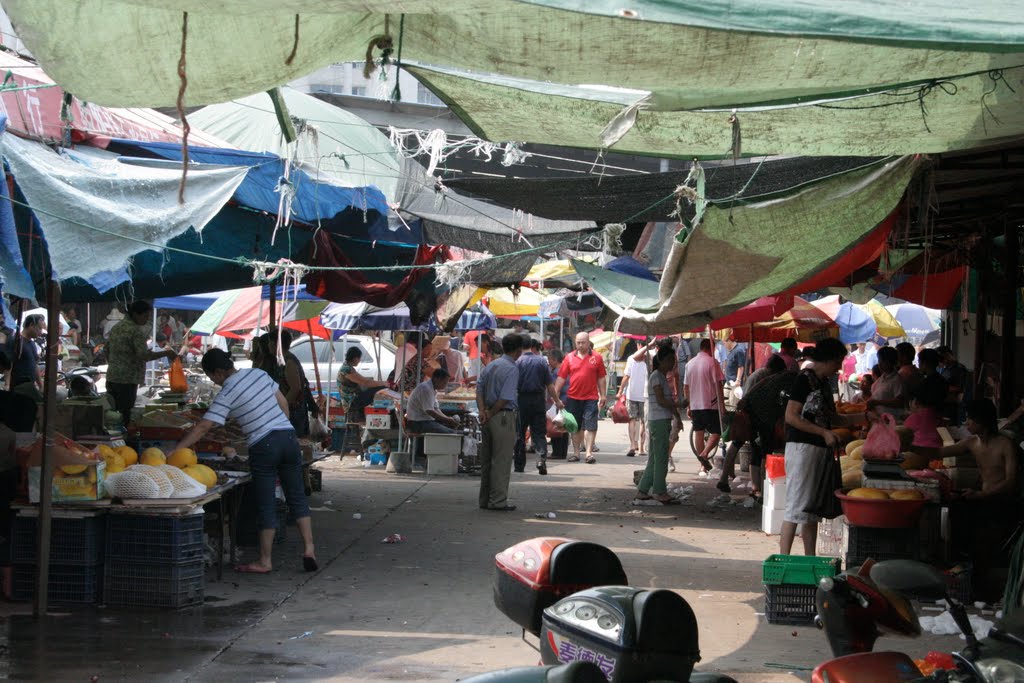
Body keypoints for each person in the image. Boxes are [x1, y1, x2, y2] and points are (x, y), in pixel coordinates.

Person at [174, 349, 316, 574]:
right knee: (296, 496)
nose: (214, 382)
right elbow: (283, 405)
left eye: (212, 377)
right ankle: (309, 549)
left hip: (264, 444)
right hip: (288, 438)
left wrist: (176, 451)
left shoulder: (228, 391)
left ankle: (265, 561)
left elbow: (204, 426)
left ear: (219, 372)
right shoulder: (258, 374)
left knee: (266, 503)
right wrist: (278, 428)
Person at [780, 338, 863, 556]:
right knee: (796, 507)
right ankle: (784, 560)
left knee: (811, 509)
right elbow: (791, 416)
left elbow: (833, 418)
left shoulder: (824, 382)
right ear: (828, 359)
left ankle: (810, 559)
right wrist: (823, 432)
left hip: (819, 451)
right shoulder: (804, 380)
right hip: (802, 449)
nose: (839, 367)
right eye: (838, 362)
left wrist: (863, 416)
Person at [942, 399, 1021, 598]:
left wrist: (982, 494)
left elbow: (1011, 482)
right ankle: (964, 571)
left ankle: (983, 588)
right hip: (982, 498)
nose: (966, 423)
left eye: (970, 419)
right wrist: (908, 444)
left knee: (985, 545)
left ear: (982, 421)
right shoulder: (972, 442)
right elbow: (940, 452)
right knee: (956, 512)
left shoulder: (1005, 445)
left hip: (1003, 502)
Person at [717, 354, 790, 499]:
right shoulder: (766, 378)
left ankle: (725, 478)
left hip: (748, 416)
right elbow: (752, 397)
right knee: (756, 451)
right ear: (775, 369)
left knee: (738, 445)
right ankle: (756, 487)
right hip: (751, 418)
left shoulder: (760, 374)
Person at [105, 301, 178, 428]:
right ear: (135, 314)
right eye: (145, 316)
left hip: (112, 377)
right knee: (125, 414)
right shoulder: (135, 331)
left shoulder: (117, 328)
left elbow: (106, 350)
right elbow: (144, 355)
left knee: (111, 414)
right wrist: (166, 353)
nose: (146, 319)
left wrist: (115, 363)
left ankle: (113, 438)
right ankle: (122, 441)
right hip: (127, 379)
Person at [477, 334, 523, 511]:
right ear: (518, 350)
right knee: (501, 461)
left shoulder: (492, 365)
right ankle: (497, 501)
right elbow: (505, 397)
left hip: (488, 415)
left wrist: (483, 411)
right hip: (502, 416)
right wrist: (490, 412)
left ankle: (485, 499)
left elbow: (479, 388)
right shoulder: (512, 369)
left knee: (487, 460)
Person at [634, 347, 682, 505]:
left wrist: (677, 416)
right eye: (669, 360)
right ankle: (660, 491)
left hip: (661, 420)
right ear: (661, 360)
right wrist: (678, 405)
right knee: (661, 457)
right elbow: (662, 401)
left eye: (673, 360)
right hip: (658, 420)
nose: (672, 363)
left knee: (655, 458)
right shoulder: (656, 377)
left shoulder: (661, 377)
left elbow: (665, 401)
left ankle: (643, 489)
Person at [554, 332, 607, 464]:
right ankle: (576, 453)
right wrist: (556, 395)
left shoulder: (597, 357)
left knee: (590, 425)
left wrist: (603, 394)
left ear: (588, 343)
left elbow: (601, 378)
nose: (580, 345)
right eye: (578, 342)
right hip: (573, 397)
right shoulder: (569, 357)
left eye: (583, 342)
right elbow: (561, 377)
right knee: (574, 426)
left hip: (591, 397)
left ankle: (588, 453)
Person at [514, 337, 563, 475]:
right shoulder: (541, 361)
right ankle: (541, 460)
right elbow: (550, 385)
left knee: (520, 433)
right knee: (539, 433)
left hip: (521, 400)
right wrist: (557, 400)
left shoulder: (517, 362)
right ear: (532, 346)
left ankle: (519, 465)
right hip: (538, 400)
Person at [683, 339, 725, 474]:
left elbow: (686, 387)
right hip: (710, 403)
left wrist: (688, 405)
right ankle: (704, 454)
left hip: (695, 404)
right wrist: (722, 406)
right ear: (710, 348)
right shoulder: (713, 362)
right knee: (717, 432)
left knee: (699, 433)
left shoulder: (689, 364)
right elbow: (719, 385)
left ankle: (702, 465)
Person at [277, 330, 316, 438]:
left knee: (294, 441)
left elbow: (295, 388)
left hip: (294, 410)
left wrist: (282, 407)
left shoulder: (289, 361)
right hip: (293, 409)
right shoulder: (284, 359)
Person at [619, 340, 653, 458]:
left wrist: (620, 391)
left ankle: (633, 445)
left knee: (632, 420)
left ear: (638, 345)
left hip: (632, 394)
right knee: (644, 422)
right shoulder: (650, 358)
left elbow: (626, 376)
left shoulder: (631, 358)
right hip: (645, 395)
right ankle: (641, 448)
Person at [338, 347, 388, 419]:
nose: (359, 361)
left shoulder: (348, 367)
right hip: (352, 401)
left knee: (376, 388)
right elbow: (365, 382)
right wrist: (383, 383)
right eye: (359, 359)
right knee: (379, 388)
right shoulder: (346, 369)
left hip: (353, 398)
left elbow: (363, 382)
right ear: (355, 358)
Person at [406, 367, 459, 434]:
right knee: (451, 433)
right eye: (444, 382)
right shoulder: (426, 389)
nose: (445, 385)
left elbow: (436, 408)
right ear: (436, 379)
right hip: (417, 423)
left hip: (425, 421)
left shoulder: (432, 389)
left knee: (453, 426)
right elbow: (429, 411)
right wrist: (447, 420)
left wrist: (447, 418)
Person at [4, 314, 43, 394]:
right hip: (17, 386)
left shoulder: (32, 343)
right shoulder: (15, 340)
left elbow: (35, 366)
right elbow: (8, 363)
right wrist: (7, 384)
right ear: (31, 325)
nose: (40, 332)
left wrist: (41, 385)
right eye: (39, 328)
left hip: (29, 386)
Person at [866, 346, 905, 417]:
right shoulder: (882, 378)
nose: (879, 364)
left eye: (882, 361)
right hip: (878, 417)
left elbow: (899, 402)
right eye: (879, 360)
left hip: (892, 419)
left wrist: (877, 402)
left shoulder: (897, 380)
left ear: (890, 362)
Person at [546, 349, 569, 461]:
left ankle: (557, 452)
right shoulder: (566, 369)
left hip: (559, 402)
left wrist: (555, 401)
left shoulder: (556, 372)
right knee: (564, 428)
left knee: (556, 426)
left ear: (554, 360)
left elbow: (555, 389)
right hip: (566, 401)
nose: (548, 362)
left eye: (549, 359)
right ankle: (562, 452)